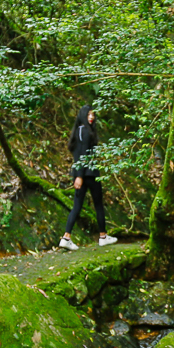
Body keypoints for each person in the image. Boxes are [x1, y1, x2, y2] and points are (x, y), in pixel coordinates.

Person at [59, 105, 118, 250]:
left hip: (81, 173)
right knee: (98, 204)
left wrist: (77, 175)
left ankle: (66, 238)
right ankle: (103, 236)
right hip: (89, 174)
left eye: (93, 115)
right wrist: (79, 176)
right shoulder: (85, 132)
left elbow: (78, 155)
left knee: (77, 206)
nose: (91, 117)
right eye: (89, 115)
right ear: (82, 115)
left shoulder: (78, 131)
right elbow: (83, 155)